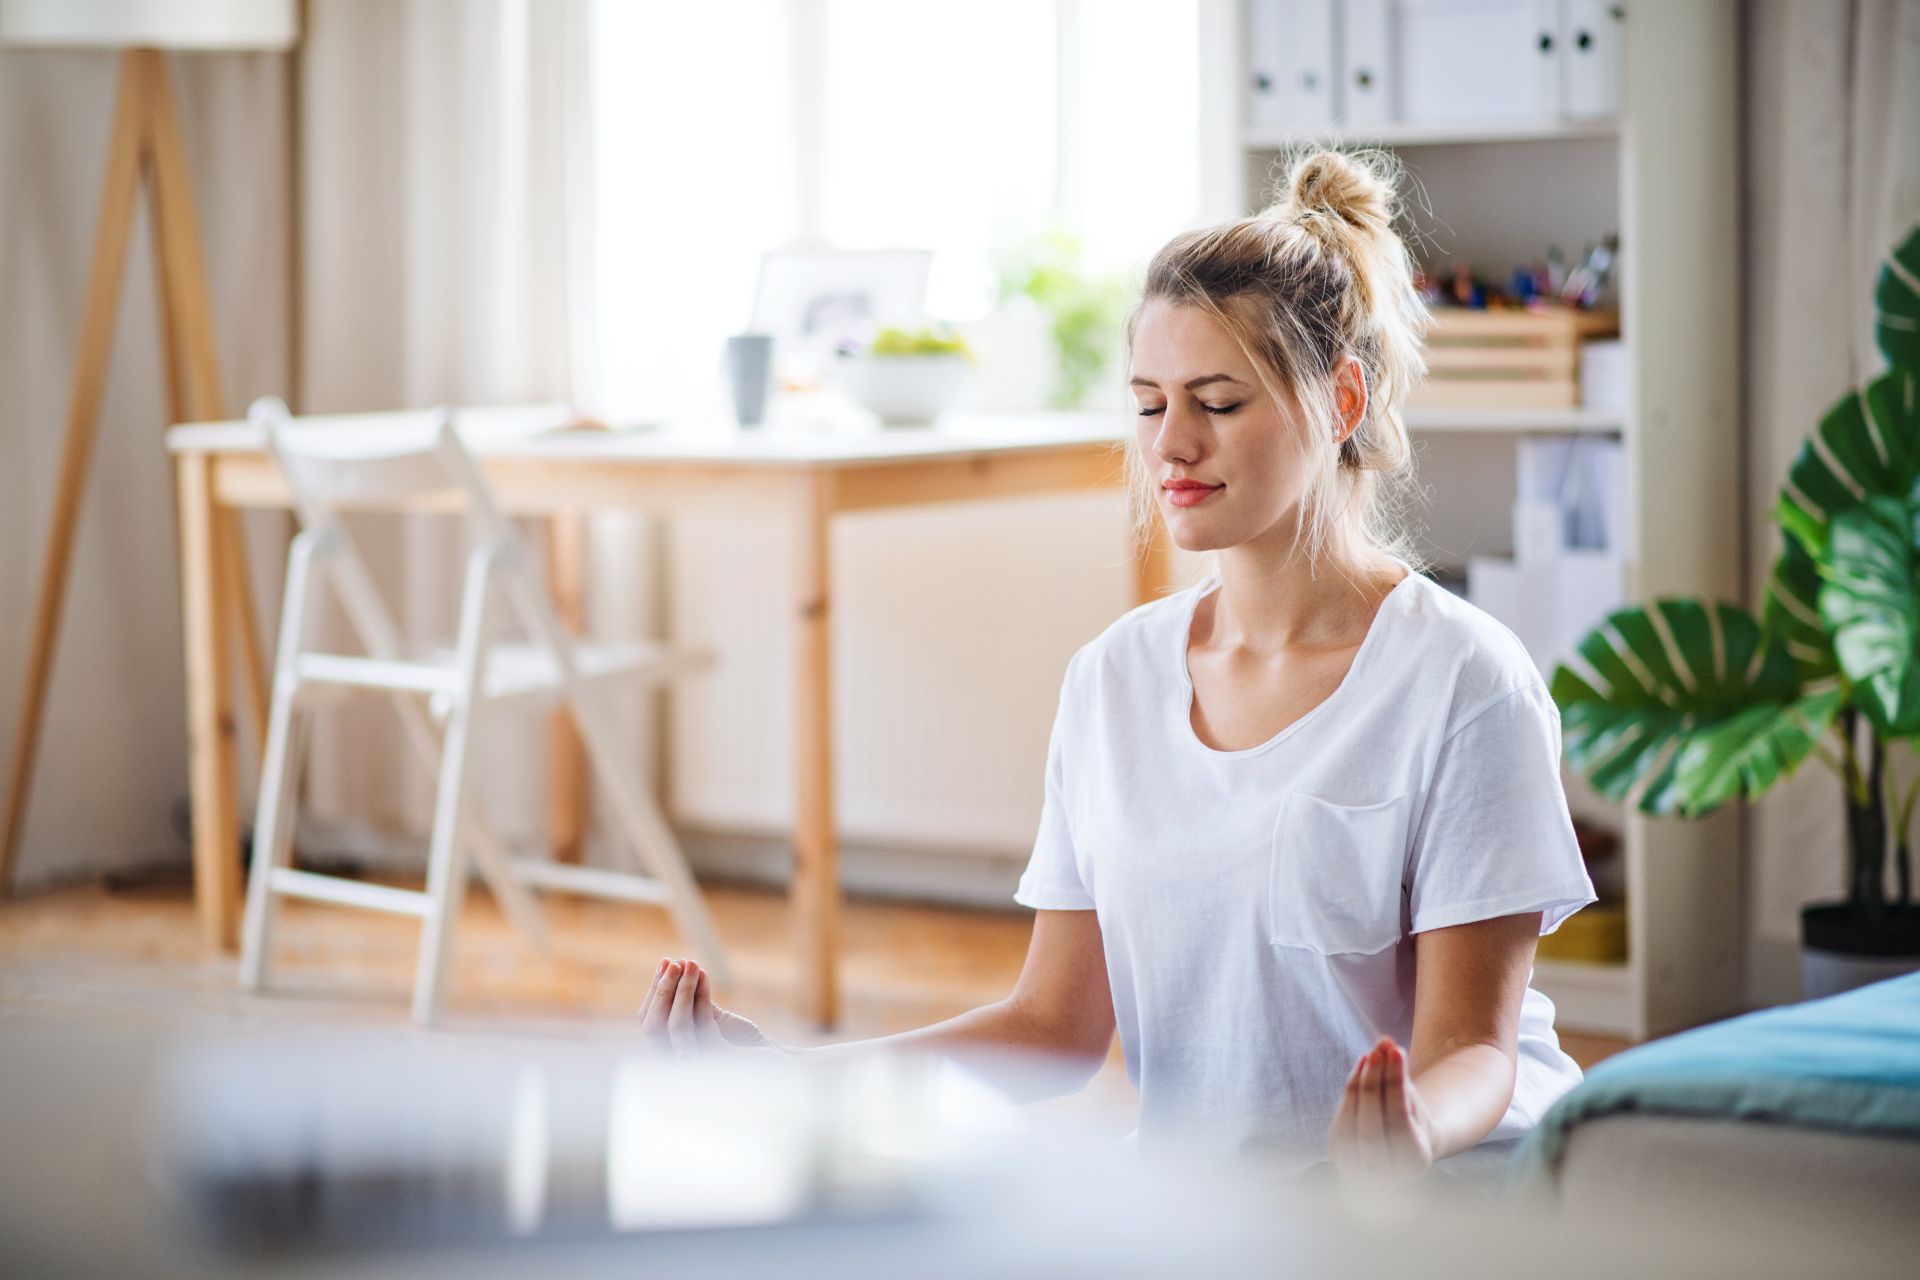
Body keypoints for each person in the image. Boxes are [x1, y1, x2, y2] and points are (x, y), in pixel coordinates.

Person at [639, 147, 1598, 1183]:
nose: (1172, 444)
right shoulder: (1113, 681)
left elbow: (1475, 1054)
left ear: (1344, 399)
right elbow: (1053, 1025)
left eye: (1217, 402)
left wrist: (1414, 1122)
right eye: (1149, 404)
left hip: (1444, 1186)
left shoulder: (1465, 681)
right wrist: (794, 1077)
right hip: (1217, 1205)